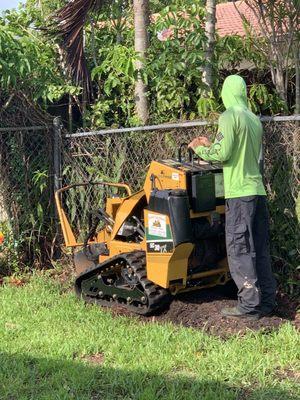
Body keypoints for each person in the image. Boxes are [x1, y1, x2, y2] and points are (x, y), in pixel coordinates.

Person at [188, 75, 276, 320]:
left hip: (239, 193)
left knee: (239, 249)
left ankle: (248, 306)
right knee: (259, 248)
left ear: (226, 92)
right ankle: (267, 301)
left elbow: (223, 152)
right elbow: (238, 150)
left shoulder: (229, 116)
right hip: (257, 192)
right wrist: (214, 144)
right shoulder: (253, 119)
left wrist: (200, 148)